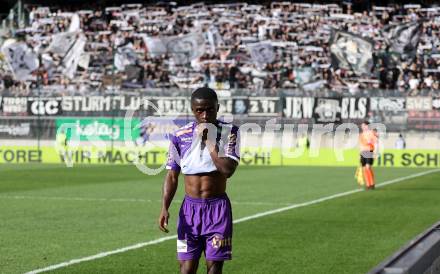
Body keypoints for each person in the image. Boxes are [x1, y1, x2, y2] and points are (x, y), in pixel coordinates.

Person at [158, 87, 240, 274]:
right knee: (186, 269)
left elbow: (227, 170)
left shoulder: (230, 132)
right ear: (192, 109)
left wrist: (209, 140)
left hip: (217, 210)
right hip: (189, 211)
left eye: (209, 109)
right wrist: (165, 207)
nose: (204, 115)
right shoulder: (180, 136)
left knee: (214, 268)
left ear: (218, 107)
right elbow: (172, 175)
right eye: (199, 110)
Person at [359, 121, 378, 190]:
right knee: (364, 169)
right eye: (362, 126)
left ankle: (372, 184)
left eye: (364, 126)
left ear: (367, 126)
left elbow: (376, 143)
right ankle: (368, 184)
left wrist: (375, 152)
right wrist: (360, 154)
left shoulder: (372, 133)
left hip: (369, 151)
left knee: (368, 167)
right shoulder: (361, 134)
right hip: (363, 152)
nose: (362, 127)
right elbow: (361, 145)